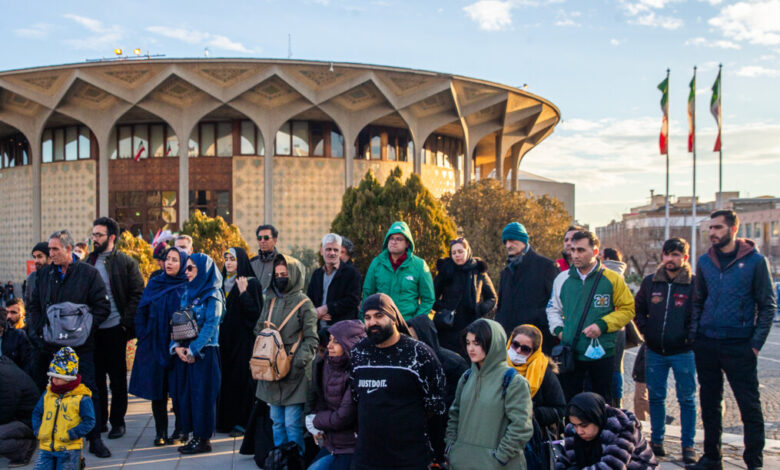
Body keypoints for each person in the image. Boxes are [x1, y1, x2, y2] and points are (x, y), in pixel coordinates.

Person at [687, 210, 776, 470]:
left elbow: (768, 306)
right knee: (710, 404)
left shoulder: (755, 262)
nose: (712, 233)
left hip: (740, 344)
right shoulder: (704, 262)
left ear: (733, 229)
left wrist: (756, 344)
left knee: (749, 406)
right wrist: (695, 336)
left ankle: (754, 462)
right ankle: (712, 458)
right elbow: (698, 300)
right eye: (710, 228)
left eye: (718, 228)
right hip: (707, 343)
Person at [27, 229, 112, 458]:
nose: (50, 253)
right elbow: (34, 306)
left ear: (67, 248)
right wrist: (38, 332)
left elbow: (102, 307)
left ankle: (95, 439)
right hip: (50, 346)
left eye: (55, 249)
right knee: (51, 392)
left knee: (88, 390)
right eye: (50, 249)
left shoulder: (88, 274)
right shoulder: (44, 275)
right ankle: (54, 438)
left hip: (81, 347)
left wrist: (85, 330)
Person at [350, 293, 447, 469]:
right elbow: (356, 398)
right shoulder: (358, 352)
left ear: (393, 317)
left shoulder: (420, 354)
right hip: (367, 457)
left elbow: (437, 409)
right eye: (367, 317)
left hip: (408, 458)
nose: (372, 323)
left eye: (379, 315)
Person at [546, 230, 635, 403]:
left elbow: (628, 309)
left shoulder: (612, 279)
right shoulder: (562, 279)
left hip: (602, 353)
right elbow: (552, 309)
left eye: (581, 250)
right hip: (571, 353)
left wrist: (602, 325)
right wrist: (559, 331)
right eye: (573, 250)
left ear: (595, 252)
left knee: (600, 403)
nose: (575, 255)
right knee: (570, 401)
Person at [634, 237, 697, 463]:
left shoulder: (694, 284)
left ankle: (688, 445)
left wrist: (690, 337)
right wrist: (646, 331)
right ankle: (657, 441)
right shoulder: (651, 282)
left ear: (684, 257)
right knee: (656, 398)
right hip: (655, 351)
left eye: (676, 255)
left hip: (683, 352)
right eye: (667, 254)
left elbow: (698, 315)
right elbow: (638, 309)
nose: (670, 259)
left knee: (687, 399)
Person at [445, 319, 534, 469]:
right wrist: (452, 449)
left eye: (477, 343)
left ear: (494, 343)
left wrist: (499, 458)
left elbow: (521, 427)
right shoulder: (466, 377)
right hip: (463, 463)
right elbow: (455, 415)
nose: (471, 348)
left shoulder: (513, 381)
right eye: (468, 343)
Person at [85, 216, 145, 439]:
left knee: (118, 379)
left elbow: (137, 293)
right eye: (93, 234)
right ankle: (99, 422)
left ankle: (118, 422)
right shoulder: (87, 263)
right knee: (95, 378)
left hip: (115, 329)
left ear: (111, 237)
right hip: (92, 331)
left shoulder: (126, 262)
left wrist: (125, 324)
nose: (95, 239)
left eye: (99, 235)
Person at [254, 254, 318, 454]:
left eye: (284, 274)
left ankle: (295, 460)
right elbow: (258, 328)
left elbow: (312, 339)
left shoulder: (304, 304)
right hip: (271, 371)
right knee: (277, 422)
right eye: (277, 274)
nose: (280, 278)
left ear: (295, 275)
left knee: (292, 423)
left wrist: (297, 362)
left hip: (294, 372)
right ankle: (280, 459)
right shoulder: (271, 301)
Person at [129, 247, 189, 446]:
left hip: (178, 345)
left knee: (178, 389)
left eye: (174, 259)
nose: (169, 263)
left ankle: (180, 429)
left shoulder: (186, 285)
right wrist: (143, 333)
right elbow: (141, 310)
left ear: (183, 263)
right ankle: (160, 432)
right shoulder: (155, 283)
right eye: (167, 259)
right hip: (154, 343)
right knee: (158, 390)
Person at [170, 253, 224, 454]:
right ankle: (193, 435)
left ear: (203, 270)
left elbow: (211, 325)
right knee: (188, 395)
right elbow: (179, 321)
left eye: (191, 268)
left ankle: (203, 439)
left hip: (205, 353)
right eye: (187, 267)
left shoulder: (213, 294)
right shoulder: (188, 292)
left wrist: (193, 349)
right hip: (186, 352)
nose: (187, 272)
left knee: (203, 396)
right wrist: (176, 347)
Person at [307, 319, 366, 470]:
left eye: (336, 342)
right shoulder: (327, 363)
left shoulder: (357, 371)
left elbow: (343, 416)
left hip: (351, 446)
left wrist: (315, 421)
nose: (329, 346)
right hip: (331, 443)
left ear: (350, 344)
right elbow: (320, 399)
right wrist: (314, 418)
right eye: (330, 340)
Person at [218, 247, 263, 436]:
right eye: (226, 258)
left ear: (241, 262)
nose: (228, 262)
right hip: (223, 341)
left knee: (240, 382)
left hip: (243, 342)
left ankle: (241, 423)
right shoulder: (220, 283)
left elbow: (256, 314)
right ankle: (224, 421)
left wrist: (243, 293)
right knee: (225, 381)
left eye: (233, 259)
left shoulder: (251, 283)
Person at [495, 222, 559, 354]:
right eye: (505, 241)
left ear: (523, 240)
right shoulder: (506, 272)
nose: (508, 245)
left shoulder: (546, 267)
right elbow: (501, 307)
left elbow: (556, 304)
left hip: (537, 341)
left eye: (512, 240)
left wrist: (533, 316)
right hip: (511, 343)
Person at [32, 347, 97, 470]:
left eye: (58, 377)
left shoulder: (81, 397)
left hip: (69, 449)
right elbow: (37, 412)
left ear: (68, 379)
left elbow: (89, 421)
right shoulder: (48, 393)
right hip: (46, 446)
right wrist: (38, 430)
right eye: (52, 377)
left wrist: (71, 434)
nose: (54, 380)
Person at [555, 392, 657, 470]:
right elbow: (564, 460)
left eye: (584, 425)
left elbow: (613, 466)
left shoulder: (622, 429)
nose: (579, 431)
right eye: (575, 426)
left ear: (596, 419)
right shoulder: (572, 430)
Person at [432, 237, 497, 356]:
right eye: (454, 253)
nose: (457, 255)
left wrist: (480, 309)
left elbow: (492, 298)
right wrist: (444, 309)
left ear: (468, 251)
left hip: (471, 326)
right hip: (447, 327)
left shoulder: (478, 270)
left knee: (469, 363)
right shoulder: (445, 269)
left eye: (460, 251)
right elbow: (432, 297)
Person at [362, 221, 435, 321]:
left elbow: (428, 299)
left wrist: (415, 323)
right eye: (391, 238)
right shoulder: (377, 263)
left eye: (399, 239)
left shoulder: (419, 265)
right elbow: (367, 294)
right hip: (381, 324)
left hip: (408, 323)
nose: (393, 241)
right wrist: (366, 321)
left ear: (407, 243)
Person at [507, 324, 566, 433]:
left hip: (531, 433)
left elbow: (559, 409)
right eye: (515, 345)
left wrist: (534, 413)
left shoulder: (544, 373)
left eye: (525, 349)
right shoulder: (497, 364)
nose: (518, 350)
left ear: (534, 351)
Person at [308, 234, 362, 343]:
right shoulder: (316, 274)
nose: (332, 253)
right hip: (318, 334)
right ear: (321, 251)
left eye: (335, 250)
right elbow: (309, 300)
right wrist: (316, 313)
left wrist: (327, 308)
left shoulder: (352, 273)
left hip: (342, 335)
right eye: (328, 249)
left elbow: (353, 300)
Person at [407, 314, 468, 409]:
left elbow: (458, 399)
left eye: (414, 338)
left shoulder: (454, 364)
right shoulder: (407, 363)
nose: (411, 343)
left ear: (426, 336)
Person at [0, 356, 38, 467]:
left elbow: (6, 409)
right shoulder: (4, 368)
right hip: (16, 416)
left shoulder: (4, 377)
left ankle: (25, 448)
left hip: (26, 421)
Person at [602, 247, 628, 408]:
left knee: (608, 368)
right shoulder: (620, 272)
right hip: (620, 328)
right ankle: (617, 401)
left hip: (607, 327)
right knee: (617, 367)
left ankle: (611, 402)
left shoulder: (607, 272)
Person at [250, 224, 280, 294]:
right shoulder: (251, 263)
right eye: (259, 238)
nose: (262, 241)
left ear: (275, 240)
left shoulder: (282, 262)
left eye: (266, 238)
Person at [24, 242, 50, 308]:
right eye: (34, 257)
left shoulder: (58, 276)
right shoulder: (32, 278)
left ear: (50, 258)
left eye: (39, 256)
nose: (36, 261)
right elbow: (28, 304)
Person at [632, 343, 650, 422]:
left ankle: (660, 415)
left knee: (640, 399)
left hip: (643, 373)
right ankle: (640, 422)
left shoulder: (650, 342)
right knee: (637, 401)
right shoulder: (646, 343)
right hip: (641, 373)